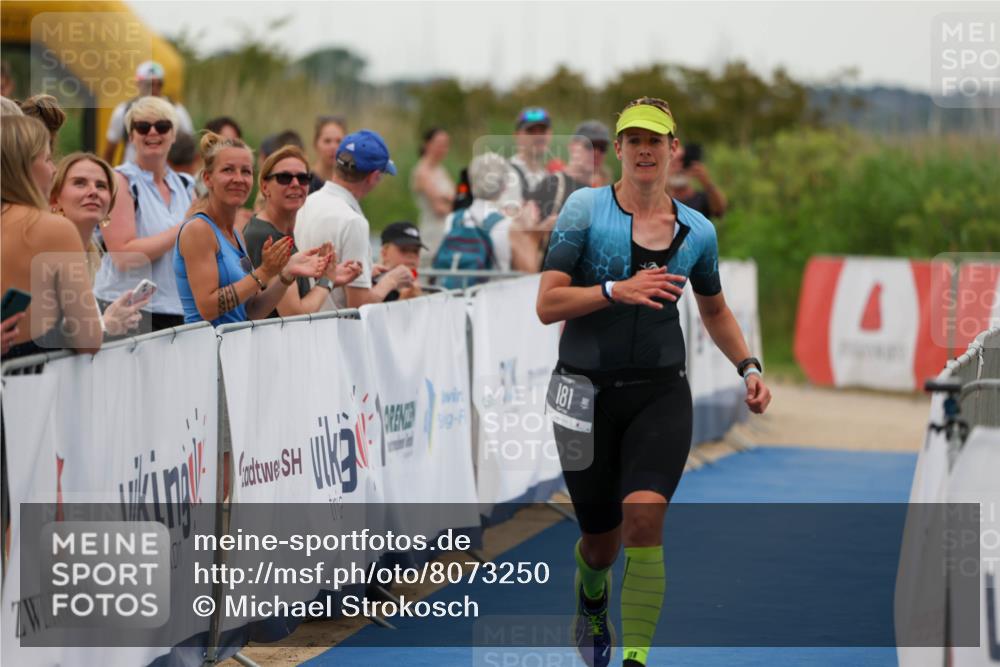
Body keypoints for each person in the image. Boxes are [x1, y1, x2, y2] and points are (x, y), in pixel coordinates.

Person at [536, 97, 771, 667]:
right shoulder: (585, 212)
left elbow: (714, 310)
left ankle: (636, 658)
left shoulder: (697, 232)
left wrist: (750, 366)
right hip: (582, 394)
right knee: (600, 541)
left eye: (655, 140)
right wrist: (616, 290)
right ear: (617, 149)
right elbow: (547, 304)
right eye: (633, 140)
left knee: (644, 518)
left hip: (659, 393)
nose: (645, 150)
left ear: (673, 151)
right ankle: (591, 597)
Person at [174, 132, 330, 327]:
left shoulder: (236, 235)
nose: (239, 179)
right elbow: (208, 308)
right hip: (206, 352)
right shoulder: (198, 229)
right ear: (207, 178)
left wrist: (285, 275)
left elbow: (252, 311)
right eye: (228, 170)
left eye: (246, 171)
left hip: (234, 349)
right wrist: (264, 272)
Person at [1, 115, 102, 358]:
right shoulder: (53, 229)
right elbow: (88, 338)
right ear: (23, 167)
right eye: (47, 159)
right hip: (27, 383)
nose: (54, 169)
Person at [94, 96, 195, 332]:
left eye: (162, 126)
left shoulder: (186, 185)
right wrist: (183, 228)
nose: (152, 132)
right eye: (142, 127)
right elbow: (124, 256)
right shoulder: (120, 181)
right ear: (131, 136)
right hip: (127, 309)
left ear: (173, 134)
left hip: (176, 309)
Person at [295, 129, 413, 308]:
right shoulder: (353, 221)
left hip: (301, 325)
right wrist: (391, 281)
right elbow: (359, 304)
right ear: (374, 176)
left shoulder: (306, 203)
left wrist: (366, 275)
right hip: (333, 330)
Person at [243, 144, 363, 317]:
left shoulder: (278, 230)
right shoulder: (267, 236)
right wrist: (326, 281)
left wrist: (329, 277)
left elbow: (285, 296)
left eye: (303, 178)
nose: (295, 184)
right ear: (264, 186)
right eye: (284, 178)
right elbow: (294, 313)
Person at [49, 152, 150, 335]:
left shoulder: (90, 258)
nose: (93, 191)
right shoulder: (46, 252)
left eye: (101, 186)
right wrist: (107, 324)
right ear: (55, 199)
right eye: (80, 183)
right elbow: (47, 335)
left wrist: (111, 318)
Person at [103, 61, 194, 166]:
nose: (154, 89)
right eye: (149, 84)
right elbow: (109, 152)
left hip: (165, 174)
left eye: (158, 84)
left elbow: (189, 147)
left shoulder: (177, 110)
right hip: (130, 176)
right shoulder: (123, 111)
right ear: (138, 84)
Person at [497, 106, 553, 211]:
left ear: (550, 134)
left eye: (542, 131)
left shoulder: (548, 176)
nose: (538, 136)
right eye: (531, 131)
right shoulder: (504, 171)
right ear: (517, 136)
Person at [410, 127, 455, 255]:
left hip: (447, 231)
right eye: (439, 144)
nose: (442, 149)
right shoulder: (422, 171)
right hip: (432, 233)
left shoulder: (441, 170)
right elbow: (439, 208)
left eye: (446, 145)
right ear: (427, 144)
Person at [667, 141, 728, 219]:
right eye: (673, 163)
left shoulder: (702, 198)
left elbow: (720, 211)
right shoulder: (660, 201)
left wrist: (707, 182)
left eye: (684, 162)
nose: (679, 168)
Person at [374, 222, 426, 302]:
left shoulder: (418, 284)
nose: (411, 255)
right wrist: (402, 302)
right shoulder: (373, 284)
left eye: (416, 251)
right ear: (384, 253)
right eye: (403, 250)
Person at [308, 115, 347, 194]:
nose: (333, 147)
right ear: (315, 144)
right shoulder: (304, 183)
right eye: (327, 141)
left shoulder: (349, 186)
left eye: (339, 141)